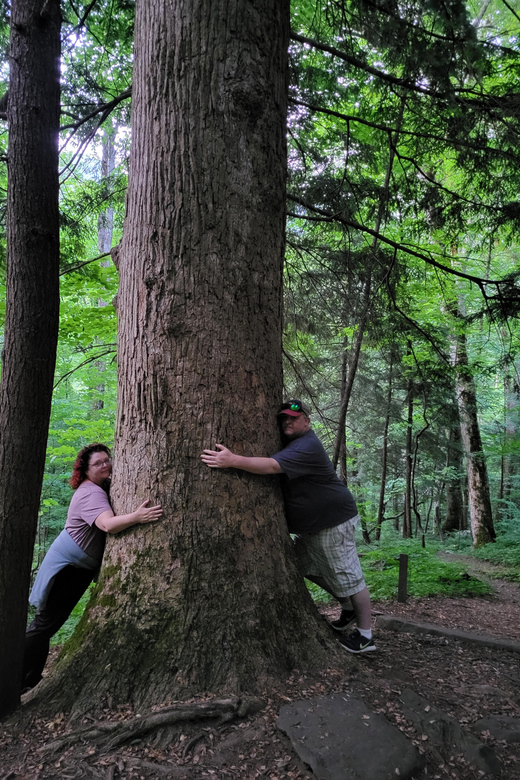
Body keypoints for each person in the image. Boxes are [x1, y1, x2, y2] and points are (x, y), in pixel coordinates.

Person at [201, 400, 375, 653]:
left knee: (350, 578)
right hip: (313, 526)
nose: (287, 422)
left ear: (307, 420)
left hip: (333, 522)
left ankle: (366, 636)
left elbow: (272, 466)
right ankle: (348, 609)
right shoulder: (294, 444)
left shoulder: (308, 445)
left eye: (294, 418)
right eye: (284, 419)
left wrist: (232, 460)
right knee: (298, 565)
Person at [22, 443, 163, 691]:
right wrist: (137, 517)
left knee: (47, 624)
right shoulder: (91, 493)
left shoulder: (99, 487)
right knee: (45, 624)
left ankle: (27, 679)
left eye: (107, 460)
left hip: (76, 567)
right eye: (98, 463)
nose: (106, 465)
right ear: (85, 470)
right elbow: (108, 525)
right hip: (68, 567)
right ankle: (18, 678)